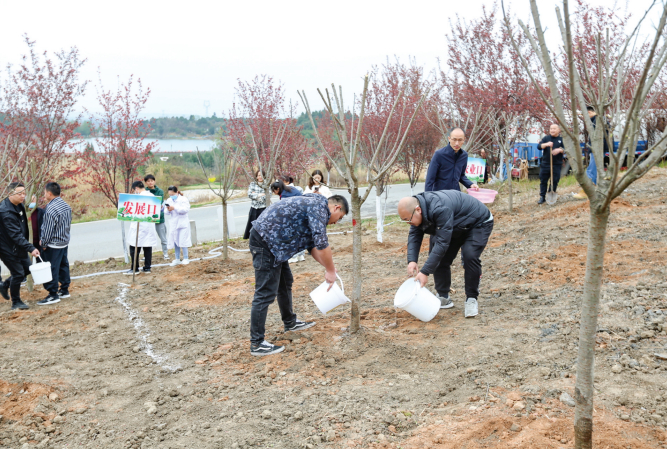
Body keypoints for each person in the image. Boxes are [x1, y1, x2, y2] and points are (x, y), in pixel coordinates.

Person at [248, 193, 349, 356]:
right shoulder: (319, 209)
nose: (336, 222)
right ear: (336, 207)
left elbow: (313, 247)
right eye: (340, 217)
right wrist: (330, 270)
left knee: (285, 282)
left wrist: (329, 267)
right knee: (265, 292)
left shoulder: (315, 205)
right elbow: (322, 244)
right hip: (265, 241)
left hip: (275, 244)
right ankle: (257, 343)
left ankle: (290, 322)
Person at [398, 190, 494, 318]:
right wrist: (412, 260)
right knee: (439, 257)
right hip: (455, 225)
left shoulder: (440, 208)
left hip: (477, 222)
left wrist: (425, 271)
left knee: (469, 255)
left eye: (408, 220)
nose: (408, 223)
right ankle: (443, 296)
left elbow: (442, 244)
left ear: (418, 209)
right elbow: (415, 235)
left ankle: (471, 299)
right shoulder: (418, 211)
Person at [0, 183, 40, 310]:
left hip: (18, 245)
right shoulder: (6, 212)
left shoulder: (19, 205)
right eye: (20, 194)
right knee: (18, 273)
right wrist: (31, 248)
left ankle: (5, 284)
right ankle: (16, 302)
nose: (23, 196)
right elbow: (15, 235)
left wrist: (33, 204)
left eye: (24, 193)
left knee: (28, 269)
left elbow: (27, 210)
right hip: (7, 248)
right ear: (10, 193)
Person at [37, 182, 73, 306]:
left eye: (44, 192)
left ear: (49, 193)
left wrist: (44, 243)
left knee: (51, 268)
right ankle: (64, 289)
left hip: (53, 244)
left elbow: (48, 229)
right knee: (63, 265)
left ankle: (53, 294)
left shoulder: (51, 209)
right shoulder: (65, 205)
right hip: (64, 241)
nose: (44, 195)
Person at [425, 128, 479, 192]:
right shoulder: (439, 155)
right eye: (454, 139)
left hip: (456, 194)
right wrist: (428, 198)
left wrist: (471, 184)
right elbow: (429, 180)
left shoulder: (464, 155)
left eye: (460, 140)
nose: (457, 143)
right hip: (440, 195)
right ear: (449, 138)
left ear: (464, 140)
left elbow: (461, 176)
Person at [573, 106, 609, 199]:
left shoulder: (599, 120)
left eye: (585, 114)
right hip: (596, 147)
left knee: (592, 168)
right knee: (594, 168)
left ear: (589, 112)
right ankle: (597, 189)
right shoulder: (595, 120)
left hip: (598, 148)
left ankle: (587, 190)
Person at [125, 181, 158, 275]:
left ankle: (134, 268)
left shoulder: (136, 198)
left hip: (138, 226)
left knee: (134, 247)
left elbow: (130, 211)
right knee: (147, 247)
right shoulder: (152, 196)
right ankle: (147, 267)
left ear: (136, 188)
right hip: (149, 226)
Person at [537, 123, 565, 204]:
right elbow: (539, 146)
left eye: (554, 128)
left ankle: (551, 194)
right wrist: (546, 144)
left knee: (555, 180)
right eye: (551, 128)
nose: (552, 130)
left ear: (559, 130)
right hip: (546, 163)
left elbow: (565, 149)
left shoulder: (561, 139)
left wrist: (559, 150)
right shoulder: (546, 138)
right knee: (543, 180)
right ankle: (542, 197)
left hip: (556, 164)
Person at [165, 186, 192, 266]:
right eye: (170, 194)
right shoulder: (169, 200)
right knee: (175, 241)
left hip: (182, 222)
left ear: (177, 192)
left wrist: (175, 208)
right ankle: (177, 258)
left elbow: (185, 210)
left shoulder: (183, 199)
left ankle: (186, 258)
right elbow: (166, 212)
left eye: (172, 194)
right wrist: (168, 209)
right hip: (174, 223)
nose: (171, 196)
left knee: (183, 240)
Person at [144, 174, 169, 260]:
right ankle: (146, 255)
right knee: (147, 237)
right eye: (148, 181)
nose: (150, 182)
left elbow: (158, 202)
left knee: (163, 237)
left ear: (154, 181)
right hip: (148, 218)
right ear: (146, 183)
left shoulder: (160, 191)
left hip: (159, 217)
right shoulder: (144, 192)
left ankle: (165, 253)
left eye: (152, 180)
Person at [244, 170, 267, 240]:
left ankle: (262, 239)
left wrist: (256, 195)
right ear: (256, 176)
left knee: (262, 224)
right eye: (259, 175)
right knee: (251, 225)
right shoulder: (253, 184)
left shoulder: (266, 185)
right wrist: (260, 195)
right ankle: (252, 238)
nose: (260, 177)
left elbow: (267, 197)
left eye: (262, 175)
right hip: (254, 207)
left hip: (263, 208)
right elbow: (250, 195)